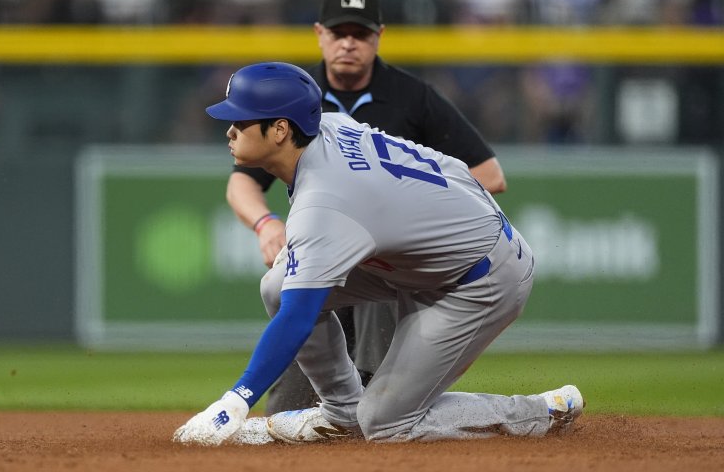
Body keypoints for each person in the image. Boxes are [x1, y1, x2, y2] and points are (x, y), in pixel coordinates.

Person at [172, 61, 584, 446]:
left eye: (240, 121)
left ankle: (539, 412)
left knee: (385, 424)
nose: (229, 130)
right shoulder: (328, 125)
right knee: (278, 286)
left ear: (280, 130)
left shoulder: (324, 205)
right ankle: (340, 413)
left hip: (480, 278)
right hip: (433, 256)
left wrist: (235, 401)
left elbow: (297, 319)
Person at [225, 0, 507, 415]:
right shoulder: (294, 94)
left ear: (379, 37)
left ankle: (377, 405)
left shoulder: (412, 96)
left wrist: (408, 210)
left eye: (361, 34)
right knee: (286, 410)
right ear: (320, 33)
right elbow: (241, 181)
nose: (349, 44)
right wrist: (266, 223)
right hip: (321, 249)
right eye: (340, 33)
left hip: (385, 263)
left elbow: (489, 175)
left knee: (378, 404)